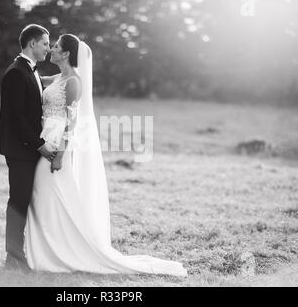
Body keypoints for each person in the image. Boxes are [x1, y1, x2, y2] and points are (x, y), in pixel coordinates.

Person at [24, 34, 188, 277]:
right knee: (42, 194)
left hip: (58, 143)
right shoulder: (59, 77)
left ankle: (61, 250)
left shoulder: (74, 83)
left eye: (56, 47)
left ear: (66, 54)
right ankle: (46, 249)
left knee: (49, 192)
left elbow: (72, 121)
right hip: (45, 135)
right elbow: (34, 79)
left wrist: (60, 154)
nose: (52, 50)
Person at [0, 24, 57, 271]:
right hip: (20, 150)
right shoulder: (16, 73)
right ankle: (13, 258)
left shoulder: (31, 71)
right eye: (44, 43)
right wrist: (40, 145)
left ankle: (26, 251)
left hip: (28, 149)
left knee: (26, 199)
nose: (48, 48)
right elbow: (15, 117)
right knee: (18, 201)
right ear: (32, 43)